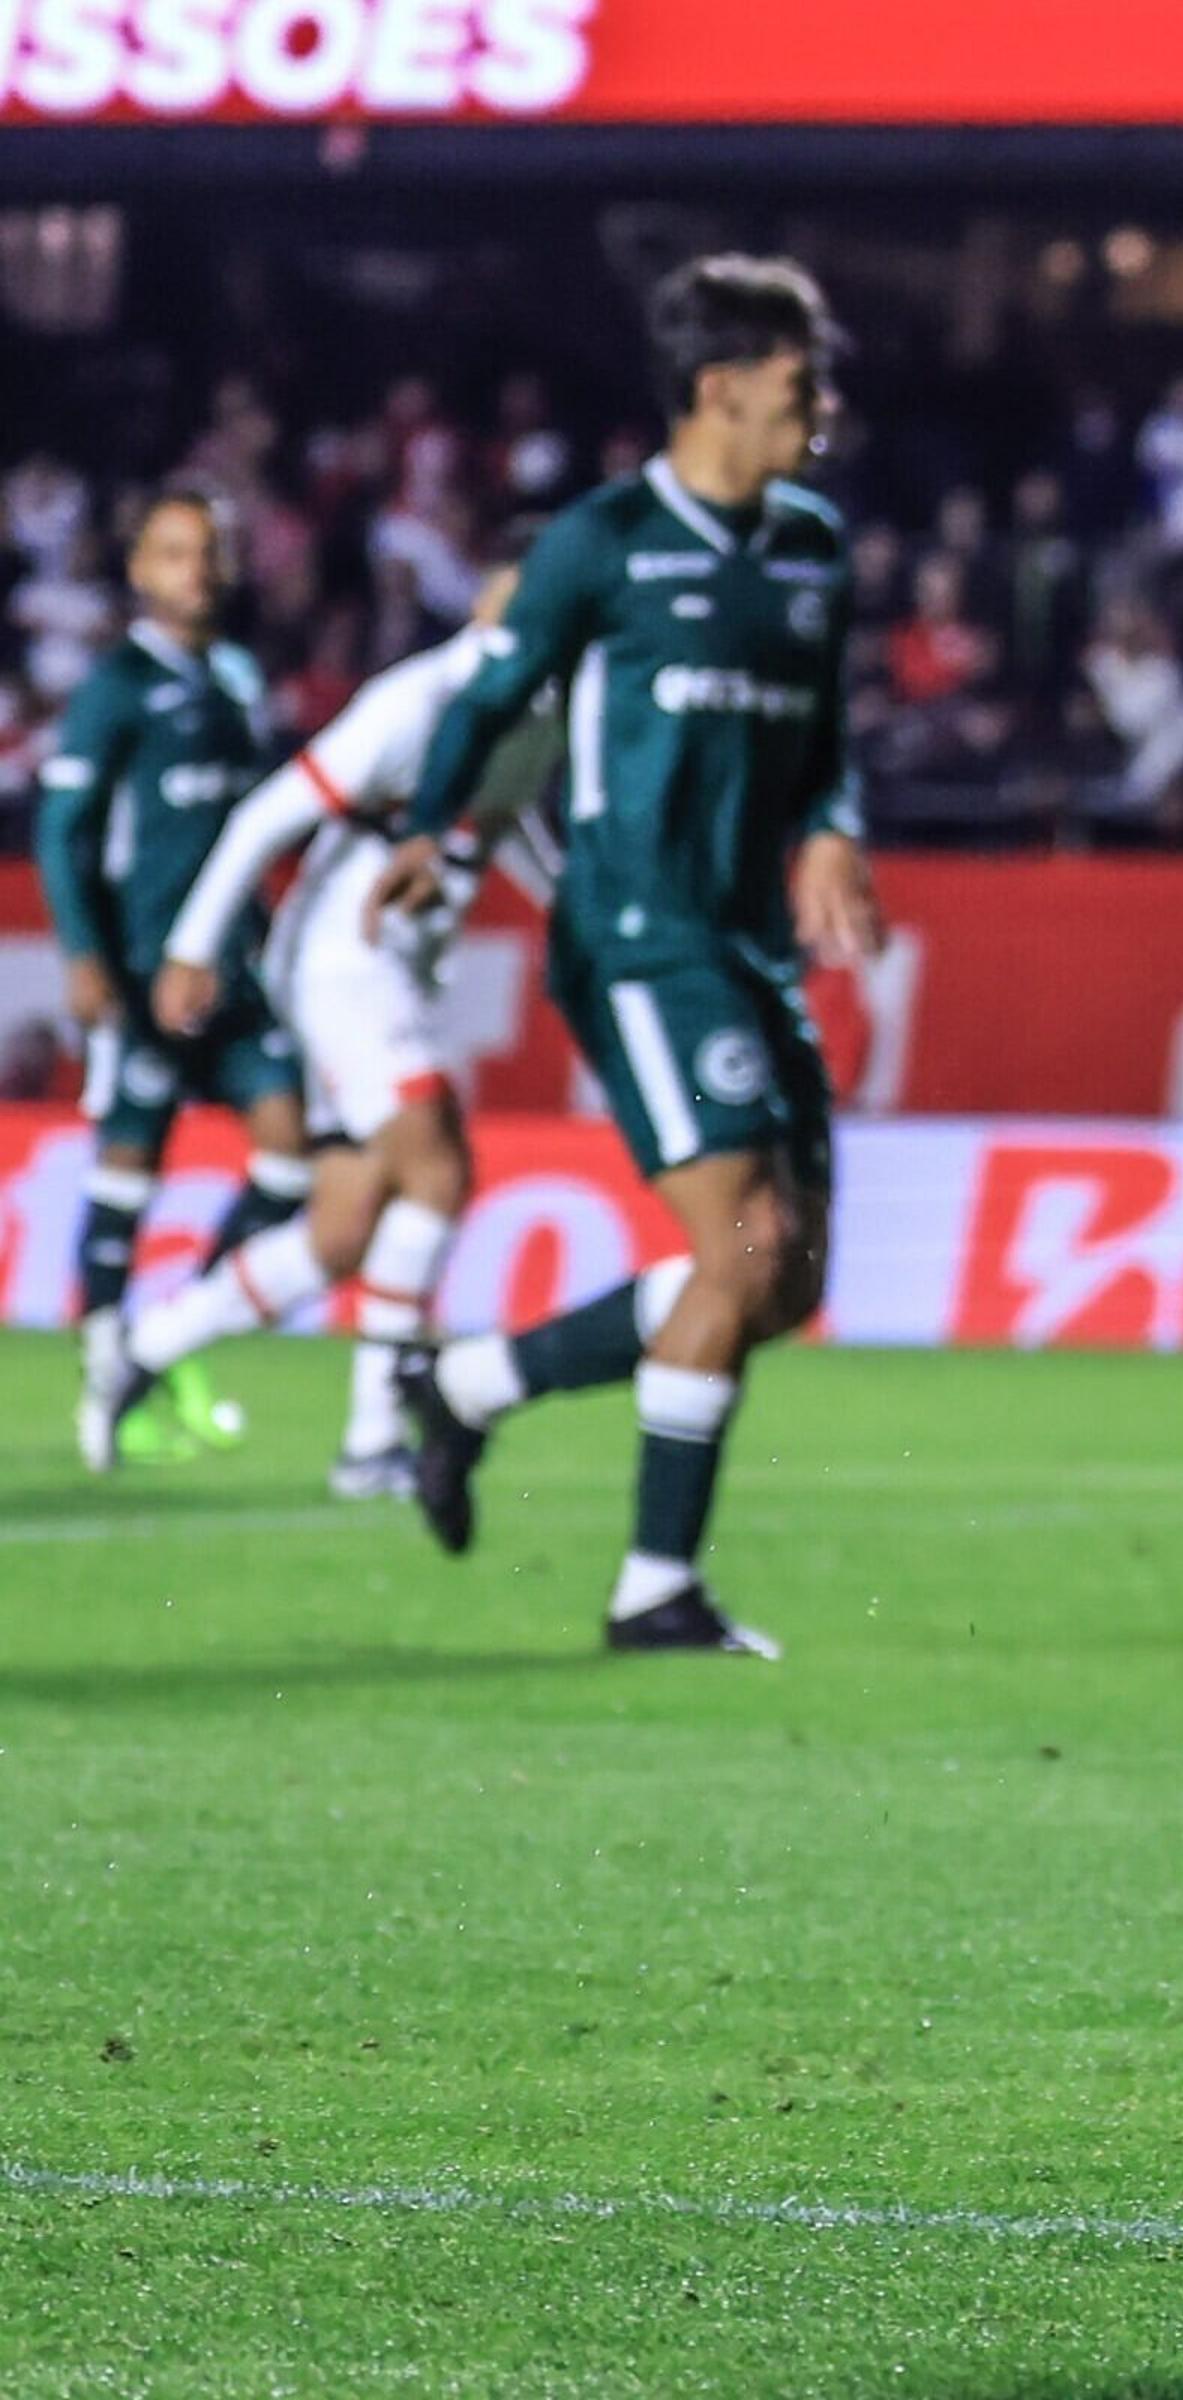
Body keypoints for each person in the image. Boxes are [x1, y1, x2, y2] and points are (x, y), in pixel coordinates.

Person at [378, 255, 886, 1659]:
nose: (822, 405)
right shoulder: (600, 544)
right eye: (799, 382)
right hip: (640, 939)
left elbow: (828, 744)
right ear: (718, 389)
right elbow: (490, 699)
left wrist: (835, 828)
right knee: (744, 1245)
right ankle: (654, 1588)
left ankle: (472, 1382)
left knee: (783, 1285)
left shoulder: (811, 551)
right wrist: (432, 832)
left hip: (752, 946)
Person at [95, 573, 558, 1495]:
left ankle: (148, 1343)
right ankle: (374, 1438)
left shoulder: (540, 707)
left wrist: (571, 911)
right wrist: (192, 947)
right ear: (485, 610)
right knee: (439, 1167)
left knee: (342, 1228)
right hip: (339, 966)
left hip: (404, 972)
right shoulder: (414, 703)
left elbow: (500, 822)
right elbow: (267, 815)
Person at [38, 490, 310, 1470]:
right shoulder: (115, 686)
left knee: (290, 1153)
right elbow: (61, 833)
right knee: (129, 1168)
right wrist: (83, 956)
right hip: (145, 975)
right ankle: (109, 1378)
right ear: (141, 572)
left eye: (209, 553)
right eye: (174, 553)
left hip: (232, 974)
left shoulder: (237, 677)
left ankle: (175, 1337)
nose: (195, 570)